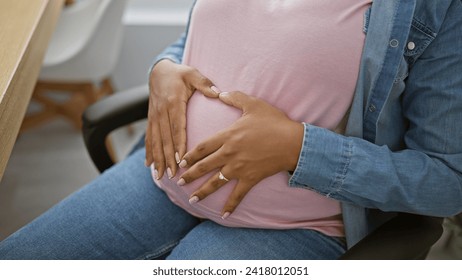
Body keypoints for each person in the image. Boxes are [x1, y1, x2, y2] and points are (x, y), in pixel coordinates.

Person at [1, 0, 462, 260]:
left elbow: (448, 178)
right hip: (161, 180)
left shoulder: (431, 8)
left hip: (294, 225)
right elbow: (204, 38)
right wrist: (163, 68)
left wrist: (298, 149)